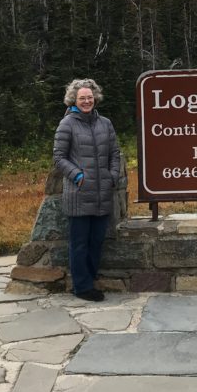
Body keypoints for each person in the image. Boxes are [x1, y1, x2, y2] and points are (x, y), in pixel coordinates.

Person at [53, 78, 122, 302]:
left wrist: (112, 176)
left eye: (89, 98)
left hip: (102, 193)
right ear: (74, 99)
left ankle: (89, 280)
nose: (86, 101)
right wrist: (78, 176)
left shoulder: (106, 123)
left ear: (95, 99)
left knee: (96, 241)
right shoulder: (67, 124)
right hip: (79, 195)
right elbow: (59, 158)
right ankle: (82, 287)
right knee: (79, 243)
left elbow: (115, 154)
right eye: (82, 98)